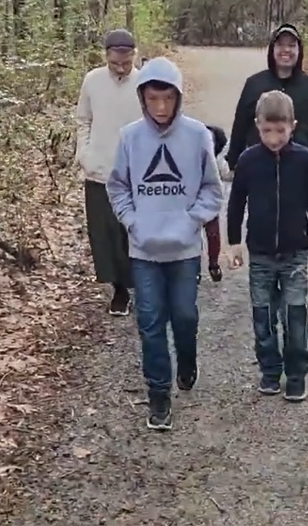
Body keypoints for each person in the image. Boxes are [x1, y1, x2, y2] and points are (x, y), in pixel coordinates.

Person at [106, 57, 223, 431]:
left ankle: (186, 359)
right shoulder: (130, 137)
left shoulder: (197, 135)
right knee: (150, 321)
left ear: (179, 97)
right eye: (153, 99)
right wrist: (132, 221)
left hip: (184, 249)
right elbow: (117, 186)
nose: (160, 107)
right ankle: (158, 394)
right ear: (142, 97)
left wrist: (191, 221)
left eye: (168, 99)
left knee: (184, 315)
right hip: (144, 250)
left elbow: (212, 189)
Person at [226, 91, 308, 402]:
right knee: (263, 315)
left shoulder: (304, 160)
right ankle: (270, 370)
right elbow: (236, 203)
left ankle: (296, 374)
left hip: (294, 252)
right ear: (257, 126)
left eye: (280, 131)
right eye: (267, 130)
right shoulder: (248, 161)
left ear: (293, 126)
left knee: (294, 314)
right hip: (260, 253)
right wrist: (234, 242)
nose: (273, 138)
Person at [75, 28, 140, 316]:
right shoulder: (92, 81)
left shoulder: (144, 83)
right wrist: (84, 154)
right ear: (106, 57)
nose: (121, 68)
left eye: (126, 62)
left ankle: (140, 282)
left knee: (131, 232)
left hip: (134, 173)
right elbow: (83, 120)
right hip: (99, 169)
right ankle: (119, 289)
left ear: (134, 56)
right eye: (115, 63)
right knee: (105, 234)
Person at [225, 23, 308, 173]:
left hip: (299, 169)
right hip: (259, 166)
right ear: (272, 49)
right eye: (280, 45)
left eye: (291, 45)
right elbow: (240, 124)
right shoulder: (254, 84)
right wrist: (233, 161)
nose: (286, 50)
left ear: (299, 50)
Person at [202, 125, 231, 283]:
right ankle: (207, 265)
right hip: (194, 193)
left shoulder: (216, 155)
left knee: (211, 231)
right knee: (205, 232)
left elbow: (224, 170)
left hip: (209, 194)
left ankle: (213, 263)